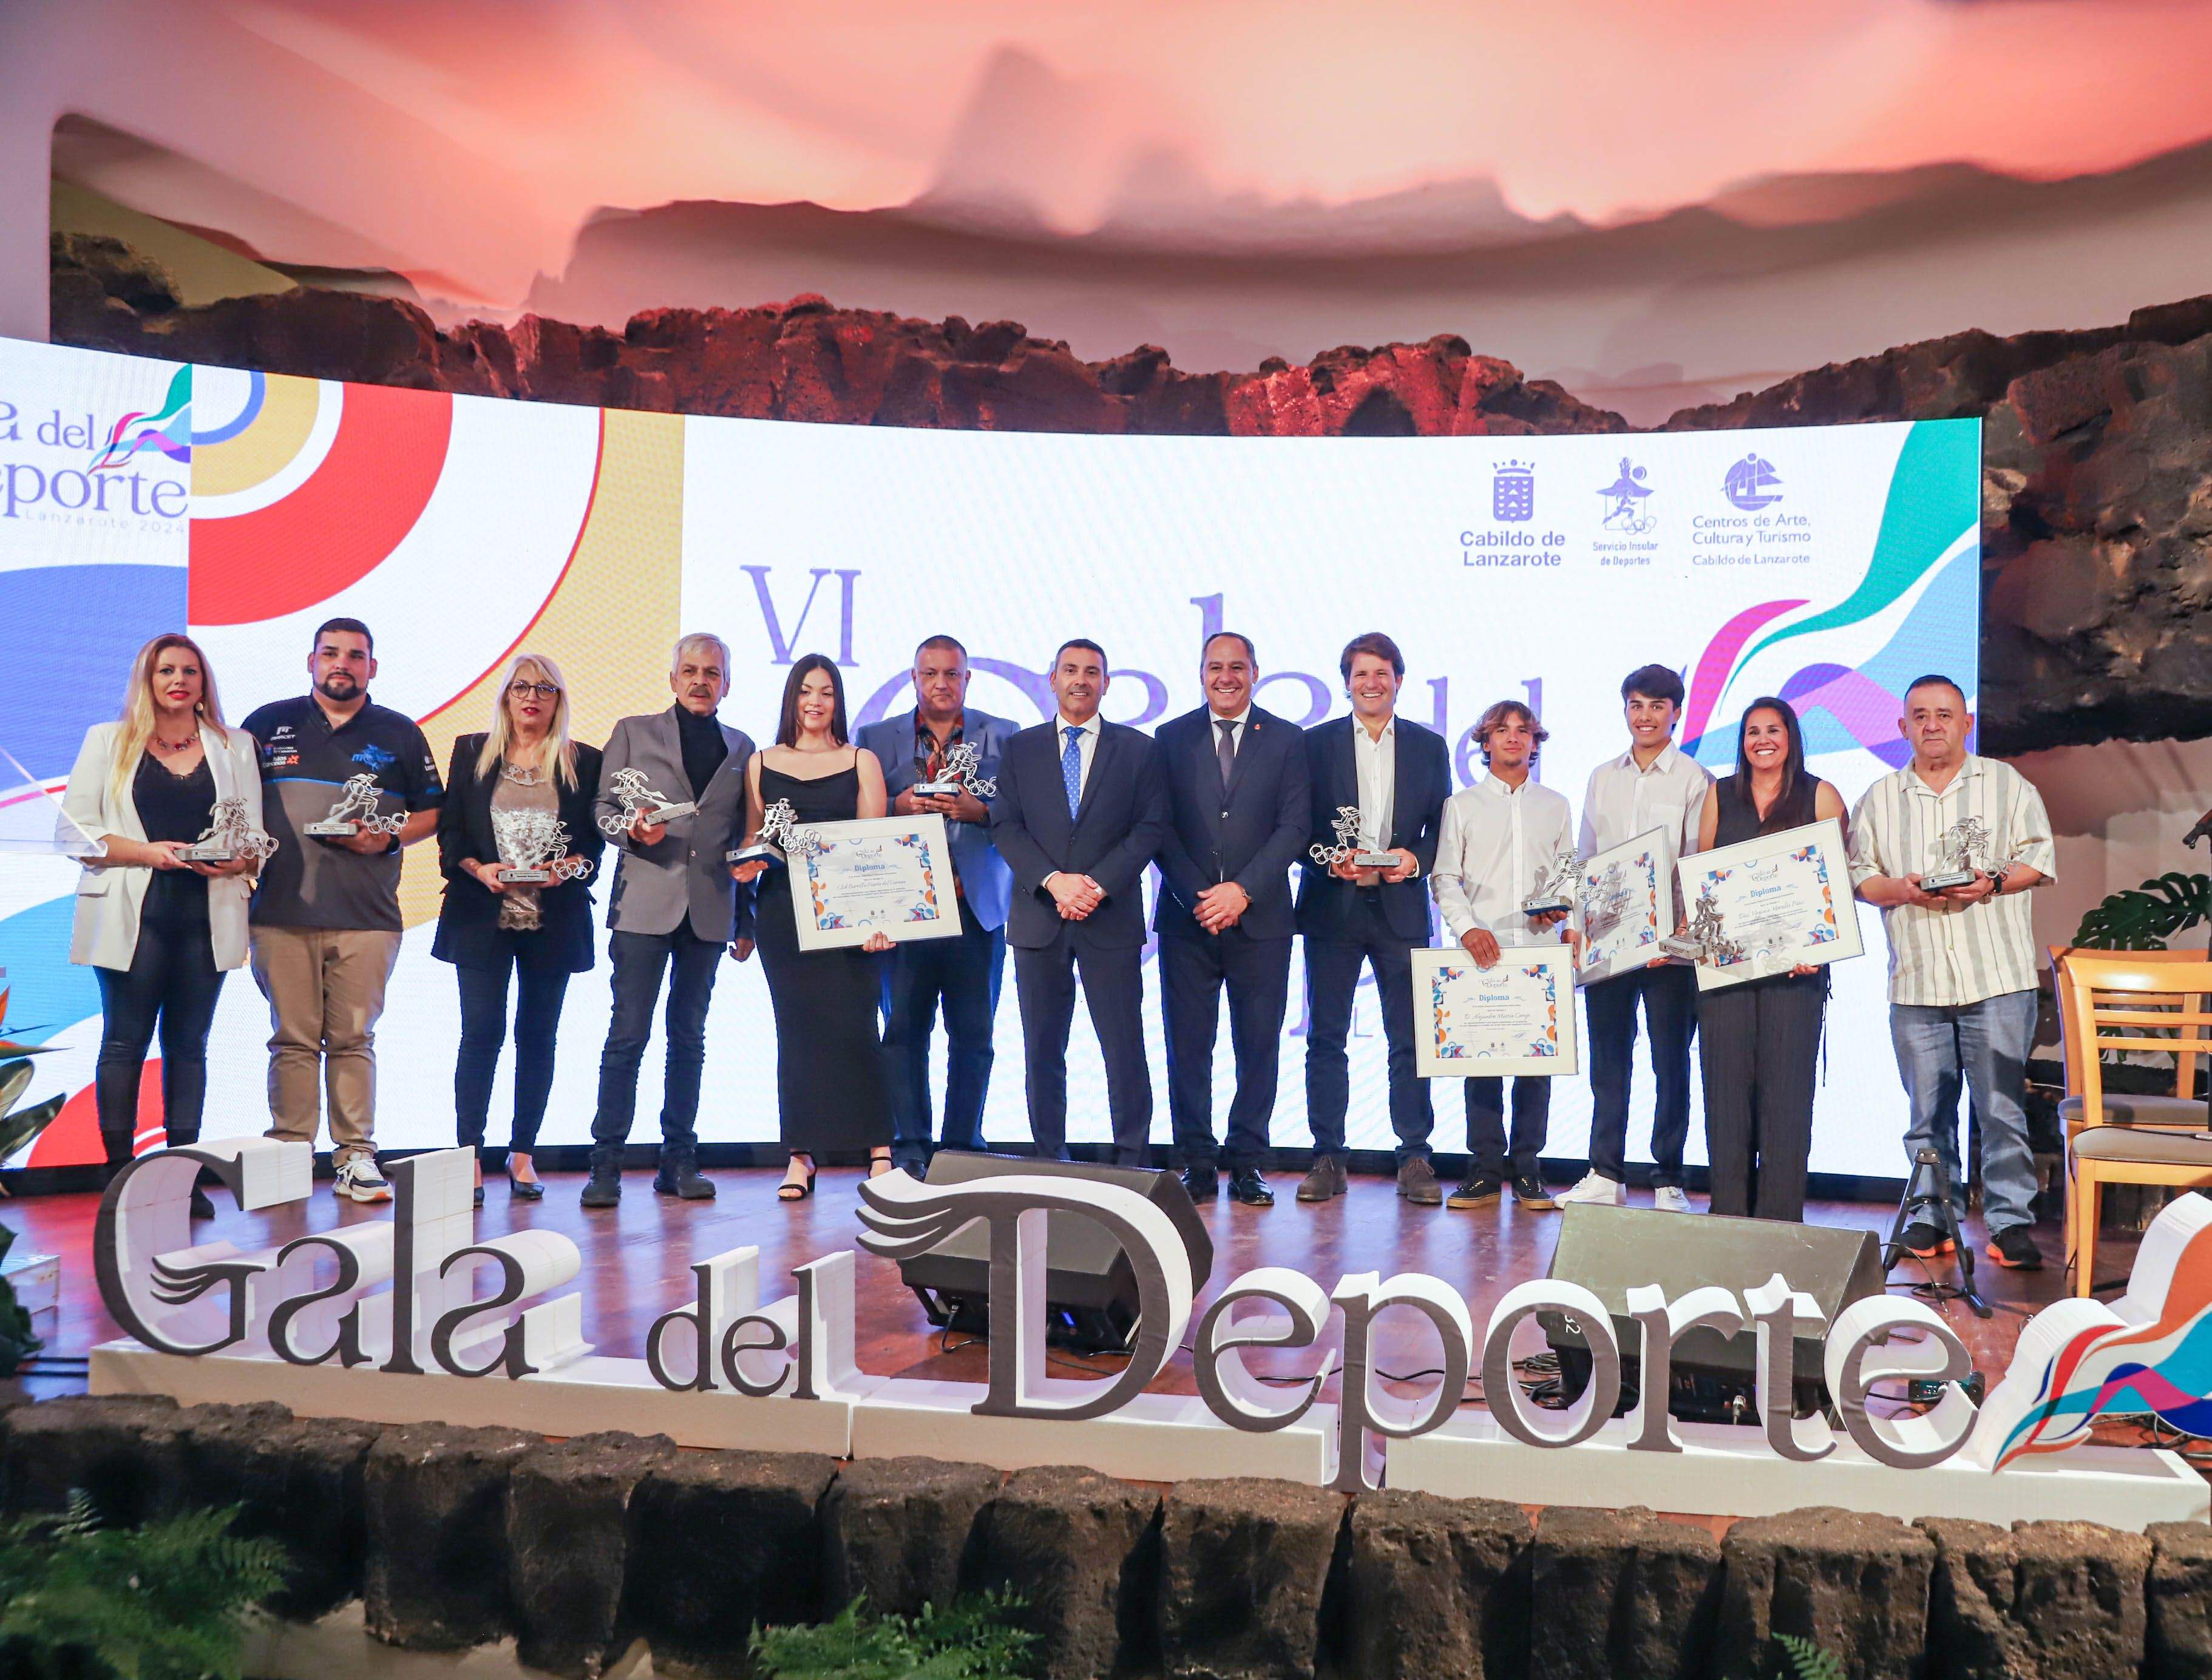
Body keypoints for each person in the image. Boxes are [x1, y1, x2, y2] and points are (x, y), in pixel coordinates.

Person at [1848, 674, 2054, 1270]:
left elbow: (2037, 858)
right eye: (1919, 715)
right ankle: (1931, 1218)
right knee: (1925, 1114)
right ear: (1902, 726)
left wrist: (1989, 880)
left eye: (1943, 714)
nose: (1931, 724)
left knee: (1999, 1109)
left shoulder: (2005, 783)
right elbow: (1861, 875)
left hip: (1995, 976)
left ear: (1966, 722)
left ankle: (2010, 1223)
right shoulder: (1879, 796)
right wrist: (1903, 890)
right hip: (1915, 981)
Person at [60, 634, 263, 1218]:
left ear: (204, 683)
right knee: (124, 1044)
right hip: (133, 914)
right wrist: (154, 854)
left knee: (189, 1048)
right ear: (147, 680)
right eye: (166, 670)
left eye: (191, 671)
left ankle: (181, 1176)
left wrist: (241, 860)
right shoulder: (109, 741)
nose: (179, 680)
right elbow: (76, 835)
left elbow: (254, 837)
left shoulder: (236, 745)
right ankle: (120, 1175)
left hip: (207, 914)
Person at [242, 618, 441, 1204]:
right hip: (279, 911)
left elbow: (434, 813)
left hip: (367, 916)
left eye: (356, 656)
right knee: (293, 1041)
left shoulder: (400, 733)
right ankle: (288, 1154)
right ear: (311, 661)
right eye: (332, 653)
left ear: (372, 668)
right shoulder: (264, 725)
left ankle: (355, 1156)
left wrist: (384, 838)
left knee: (354, 1039)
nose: (343, 664)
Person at [585, 633, 755, 1207]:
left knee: (690, 1037)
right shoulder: (634, 731)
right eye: (690, 670)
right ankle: (605, 1164)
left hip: (710, 909)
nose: (700, 680)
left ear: (727, 683)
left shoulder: (742, 746)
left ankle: (678, 1160)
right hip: (643, 903)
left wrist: (746, 920)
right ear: (673, 678)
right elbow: (603, 810)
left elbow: (742, 839)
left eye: (712, 672)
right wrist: (629, 829)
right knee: (628, 1034)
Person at [432, 653, 605, 1208]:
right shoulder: (471, 753)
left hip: (552, 921)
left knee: (538, 1038)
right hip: (481, 916)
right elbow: (453, 836)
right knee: (480, 1035)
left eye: (546, 689)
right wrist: (480, 870)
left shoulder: (585, 762)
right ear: (506, 696)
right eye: (522, 687)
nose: (532, 697)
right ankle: (470, 1156)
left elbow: (594, 852)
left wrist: (564, 870)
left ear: (559, 701)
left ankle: (523, 1151)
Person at [989, 638, 1169, 1167]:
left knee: (1124, 1048)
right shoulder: (1020, 749)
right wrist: (1053, 881)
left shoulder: (1139, 750)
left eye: (1092, 672)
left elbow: (1149, 829)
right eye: (1071, 670)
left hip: (1108, 918)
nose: (1081, 680)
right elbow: (1006, 825)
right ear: (1052, 679)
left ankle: (1132, 1159)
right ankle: (1050, 1158)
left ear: (1107, 684)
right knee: (1043, 1052)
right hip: (1038, 919)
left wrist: (1093, 885)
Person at [1295, 632, 1452, 1205]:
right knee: (1326, 1038)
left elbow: (1442, 829)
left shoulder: (1429, 747)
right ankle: (1327, 1157)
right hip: (1331, 906)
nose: (1371, 683)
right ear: (1346, 683)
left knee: (1409, 1037)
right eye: (1361, 674)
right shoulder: (1314, 746)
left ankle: (1414, 1158)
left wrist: (1417, 861)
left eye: (1382, 673)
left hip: (1401, 906)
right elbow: (1296, 826)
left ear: (1399, 681)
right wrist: (1326, 860)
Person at [1155, 632, 1311, 1206]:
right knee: (1188, 1047)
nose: (1226, 676)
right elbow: (1159, 827)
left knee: (1258, 1045)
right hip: (1187, 919)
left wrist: (1241, 892)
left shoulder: (1288, 740)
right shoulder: (1170, 738)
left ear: (1256, 672)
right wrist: (1204, 895)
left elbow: (1294, 828)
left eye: (1237, 667)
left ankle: (1248, 1163)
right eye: (1215, 667)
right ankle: (1196, 1163)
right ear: (1201, 673)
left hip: (1261, 919)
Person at [734, 654, 895, 1197]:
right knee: (796, 1034)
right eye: (806, 690)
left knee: (858, 1030)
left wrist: (878, 919)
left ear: (838, 701)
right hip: (783, 914)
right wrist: (745, 869)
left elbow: (875, 850)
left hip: (849, 915)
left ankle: (880, 1151)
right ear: (791, 697)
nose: (815, 701)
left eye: (826, 692)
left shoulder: (861, 760)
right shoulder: (761, 762)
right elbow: (755, 841)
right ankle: (800, 1156)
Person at [856, 636, 1017, 1173]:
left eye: (952, 674)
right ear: (914, 678)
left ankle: (963, 1147)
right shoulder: (876, 739)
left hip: (976, 908)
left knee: (974, 1035)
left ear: (968, 679)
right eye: (931, 674)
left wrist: (982, 811)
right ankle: (910, 1147)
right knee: (903, 1031)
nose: (942, 683)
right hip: (905, 911)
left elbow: (1020, 814)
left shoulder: (1005, 737)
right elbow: (859, 820)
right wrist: (897, 806)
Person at [1560, 663, 1714, 1212]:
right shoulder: (1603, 776)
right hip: (1606, 942)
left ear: (1676, 712)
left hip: (1670, 949)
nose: (1645, 716)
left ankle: (1668, 1178)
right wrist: (1573, 924)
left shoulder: (1695, 778)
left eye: (1657, 706)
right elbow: (1583, 857)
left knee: (1671, 1063)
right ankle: (1605, 1172)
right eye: (1636, 705)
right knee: (1609, 1060)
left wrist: (1679, 930)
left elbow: (1699, 862)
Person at [1692, 696, 1848, 1224]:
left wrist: (1817, 950)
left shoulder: (1820, 795)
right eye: (1753, 731)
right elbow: (1706, 884)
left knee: (1786, 1097)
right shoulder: (1719, 796)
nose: (1763, 740)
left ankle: (1781, 1218)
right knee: (1726, 1093)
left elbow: (1836, 886)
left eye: (1774, 730)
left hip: (1796, 976)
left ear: (1791, 737)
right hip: (1728, 973)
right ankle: (1728, 1213)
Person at [1430, 700, 1575, 1211]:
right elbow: (1445, 877)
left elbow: (1567, 875)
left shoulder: (1555, 805)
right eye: (1502, 730)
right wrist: (1468, 929)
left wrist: (1562, 914)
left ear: (1536, 742)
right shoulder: (1462, 805)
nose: (1513, 737)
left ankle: (1529, 1172)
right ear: (1484, 741)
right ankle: (1485, 1171)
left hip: (1537, 952)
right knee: (1482, 1065)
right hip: (1481, 951)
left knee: (1536, 1066)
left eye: (1524, 730)